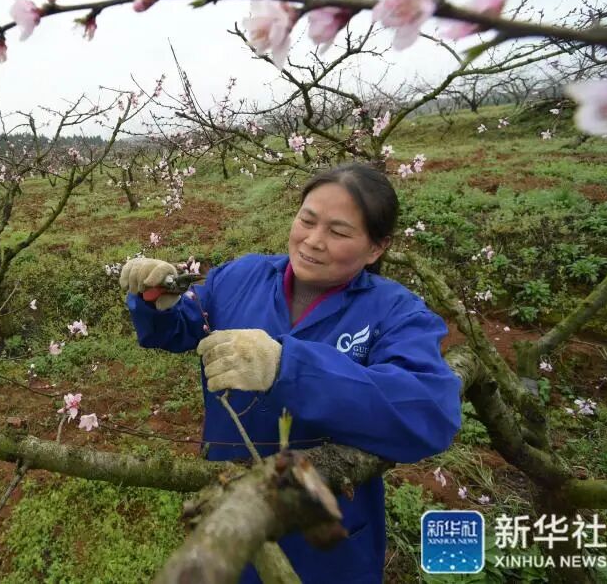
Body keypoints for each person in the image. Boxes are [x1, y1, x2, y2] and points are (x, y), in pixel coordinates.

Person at [120, 162, 462, 584]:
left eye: (338, 232)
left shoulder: (395, 311)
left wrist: (287, 367)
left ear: (376, 248)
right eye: (307, 220)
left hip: (329, 538)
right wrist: (160, 301)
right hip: (236, 504)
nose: (313, 242)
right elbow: (189, 323)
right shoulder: (242, 276)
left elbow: (429, 409)